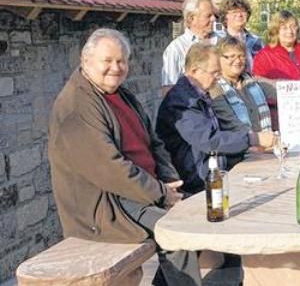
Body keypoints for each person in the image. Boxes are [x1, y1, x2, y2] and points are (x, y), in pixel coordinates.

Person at [49, 28, 203, 285]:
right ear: (86, 61)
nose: (116, 67)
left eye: (121, 61)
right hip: (106, 208)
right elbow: (110, 170)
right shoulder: (76, 106)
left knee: (205, 217)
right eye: (107, 61)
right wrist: (162, 194)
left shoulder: (122, 94)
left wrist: (169, 182)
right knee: (177, 233)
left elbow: (154, 143)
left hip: (142, 193)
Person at [156, 41, 274, 193]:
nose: (218, 78)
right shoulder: (182, 102)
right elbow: (209, 140)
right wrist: (253, 139)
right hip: (196, 183)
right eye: (214, 73)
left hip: (214, 171)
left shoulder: (198, 95)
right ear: (194, 71)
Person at [252, 10, 300, 130]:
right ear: (276, 31)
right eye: (284, 28)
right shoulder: (263, 56)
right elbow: (261, 92)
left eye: (293, 26)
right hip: (282, 118)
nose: (290, 31)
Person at [208, 37, 275, 167]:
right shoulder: (214, 87)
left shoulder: (252, 82)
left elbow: (282, 91)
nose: (238, 61)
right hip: (237, 156)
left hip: (266, 151)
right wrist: (256, 142)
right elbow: (230, 123)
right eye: (231, 56)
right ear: (218, 59)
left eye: (241, 56)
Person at [162, 0, 225, 95]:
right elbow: (168, 91)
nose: (214, 19)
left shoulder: (222, 39)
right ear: (192, 18)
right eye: (208, 15)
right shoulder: (176, 49)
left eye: (214, 15)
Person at [219, 0, 264, 72]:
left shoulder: (256, 41)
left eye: (243, 11)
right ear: (225, 17)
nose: (239, 15)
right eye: (234, 12)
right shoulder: (219, 40)